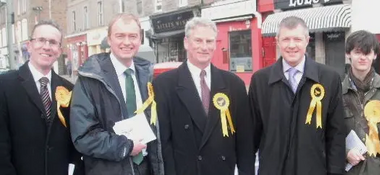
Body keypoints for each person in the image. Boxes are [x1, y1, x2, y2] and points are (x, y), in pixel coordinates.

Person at [153, 17, 255, 175]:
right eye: (198, 41)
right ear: (186, 43)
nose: (204, 47)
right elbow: (164, 144)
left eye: (209, 41)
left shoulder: (234, 84)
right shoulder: (164, 85)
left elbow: (245, 140)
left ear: (215, 44)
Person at [248, 16, 345, 175]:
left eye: (297, 39)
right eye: (286, 39)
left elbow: (336, 135)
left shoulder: (329, 79)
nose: (292, 45)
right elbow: (251, 135)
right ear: (277, 41)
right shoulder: (260, 81)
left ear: (307, 40)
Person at [69, 13, 163, 175]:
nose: (127, 42)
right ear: (109, 39)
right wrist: (126, 147)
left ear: (140, 39)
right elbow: (83, 136)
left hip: (146, 168)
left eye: (133, 36)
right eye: (120, 36)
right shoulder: (90, 80)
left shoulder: (149, 76)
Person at [0, 20, 84, 175]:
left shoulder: (69, 89)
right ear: (29, 45)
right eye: (41, 40)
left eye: (53, 42)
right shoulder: (5, 85)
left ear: (59, 50)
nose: (47, 46)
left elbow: (74, 140)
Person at [344, 30, 380, 175]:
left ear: (374, 55)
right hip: (349, 170)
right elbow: (328, 135)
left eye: (367, 53)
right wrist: (345, 152)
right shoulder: (336, 91)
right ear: (348, 54)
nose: (363, 57)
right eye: (357, 52)